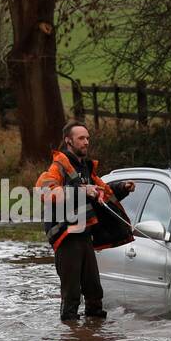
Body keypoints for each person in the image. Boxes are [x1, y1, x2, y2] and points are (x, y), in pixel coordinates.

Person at [35, 121, 135, 321]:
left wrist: (123, 187)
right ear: (68, 141)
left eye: (88, 138)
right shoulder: (58, 167)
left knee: (94, 293)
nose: (86, 142)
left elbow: (103, 192)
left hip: (85, 237)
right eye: (81, 138)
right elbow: (44, 191)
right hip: (66, 237)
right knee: (71, 296)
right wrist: (82, 191)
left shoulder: (85, 168)